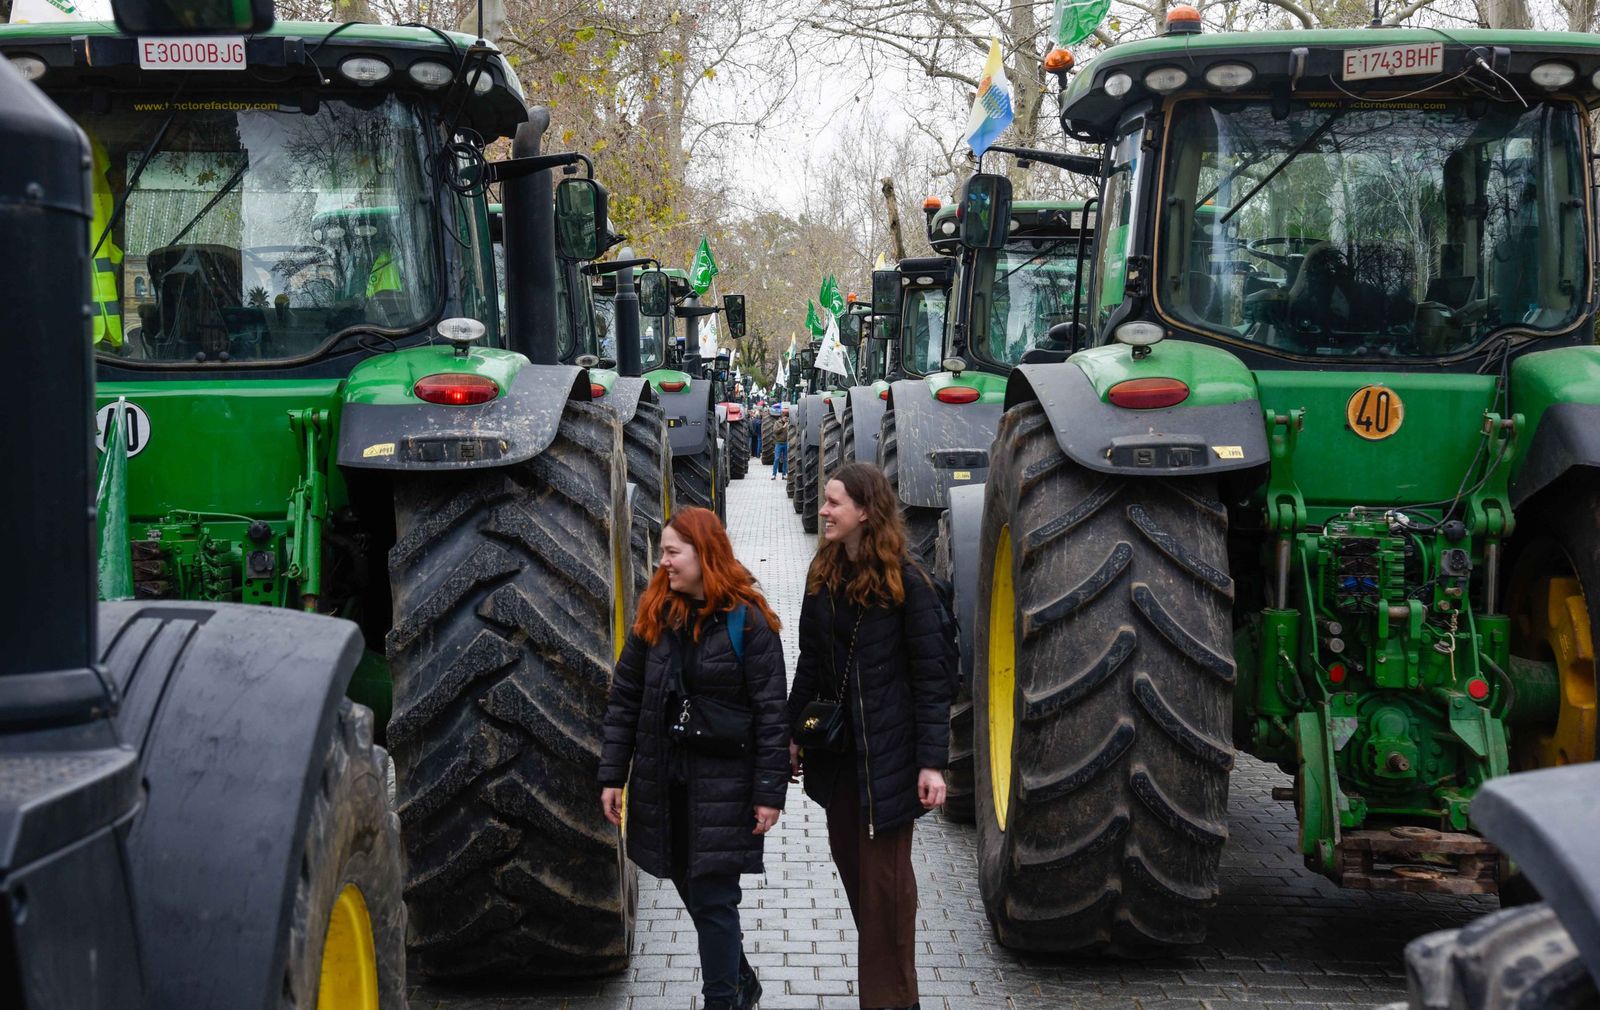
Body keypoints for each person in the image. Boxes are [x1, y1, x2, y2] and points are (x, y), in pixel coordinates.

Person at [599, 507, 790, 1010]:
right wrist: (612, 775)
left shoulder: (749, 622)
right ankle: (742, 978)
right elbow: (625, 699)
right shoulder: (656, 615)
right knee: (692, 890)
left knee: (714, 899)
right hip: (667, 788)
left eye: (671, 552)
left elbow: (773, 715)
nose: (662, 563)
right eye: (662, 552)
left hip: (725, 791)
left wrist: (769, 794)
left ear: (704, 555)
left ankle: (723, 1000)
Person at [786, 462, 954, 1010]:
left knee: (885, 893)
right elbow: (810, 661)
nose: (825, 509)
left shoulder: (911, 582)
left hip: (889, 764)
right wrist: (794, 733)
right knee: (863, 882)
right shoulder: (824, 572)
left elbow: (934, 680)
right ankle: (900, 993)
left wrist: (932, 763)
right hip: (837, 761)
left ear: (865, 512)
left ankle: (889, 1001)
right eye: (825, 500)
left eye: (834, 502)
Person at [771, 404, 789, 480]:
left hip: (786, 443)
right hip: (778, 443)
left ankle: (784, 474)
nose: (786, 419)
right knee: (777, 458)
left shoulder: (789, 423)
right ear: (782, 417)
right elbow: (775, 431)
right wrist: (783, 427)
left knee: (786, 459)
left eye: (787, 417)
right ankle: (774, 474)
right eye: (785, 417)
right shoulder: (777, 423)